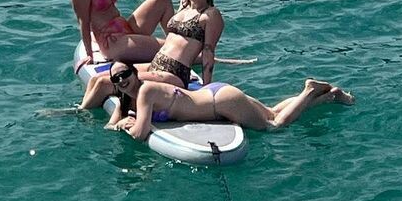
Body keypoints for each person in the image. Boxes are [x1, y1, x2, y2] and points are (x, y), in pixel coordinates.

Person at [102, 63, 353, 140]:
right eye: (116, 78)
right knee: (271, 111)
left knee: (274, 125)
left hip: (220, 102)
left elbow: (140, 133)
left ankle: (309, 90)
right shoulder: (127, 98)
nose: (122, 80)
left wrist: (128, 124)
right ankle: (330, 96)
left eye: (125, 74)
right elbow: (111, 125)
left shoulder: (145, 91)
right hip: (216, 94)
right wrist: (119, 122)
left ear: (135, 74)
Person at [142, 0, 223, 87]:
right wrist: (182, 7)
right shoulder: (184, 10)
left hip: (174, 71)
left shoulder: (210, 14)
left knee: (117, 79)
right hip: (155, 65)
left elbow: (208, 51)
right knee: (117, 69)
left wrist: (206, 86)